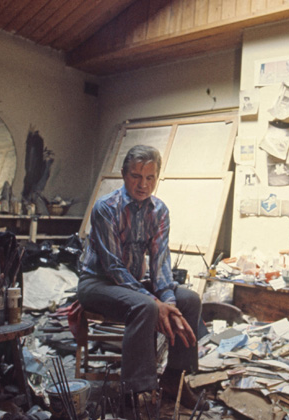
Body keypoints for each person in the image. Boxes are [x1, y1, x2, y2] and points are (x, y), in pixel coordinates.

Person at [77, 144, 208, 410]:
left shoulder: (159, 210)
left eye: (150, 178)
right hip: (98, 283)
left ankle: (175, 379)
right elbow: (113, 267)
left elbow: (160, 262)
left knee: (189, 299)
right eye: (136, 176)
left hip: (134, 283)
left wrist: (168, 302)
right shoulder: (106, 208)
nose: (143, 185)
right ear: (124, 175)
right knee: (146, 305)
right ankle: (133, 394)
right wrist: (154, 301)